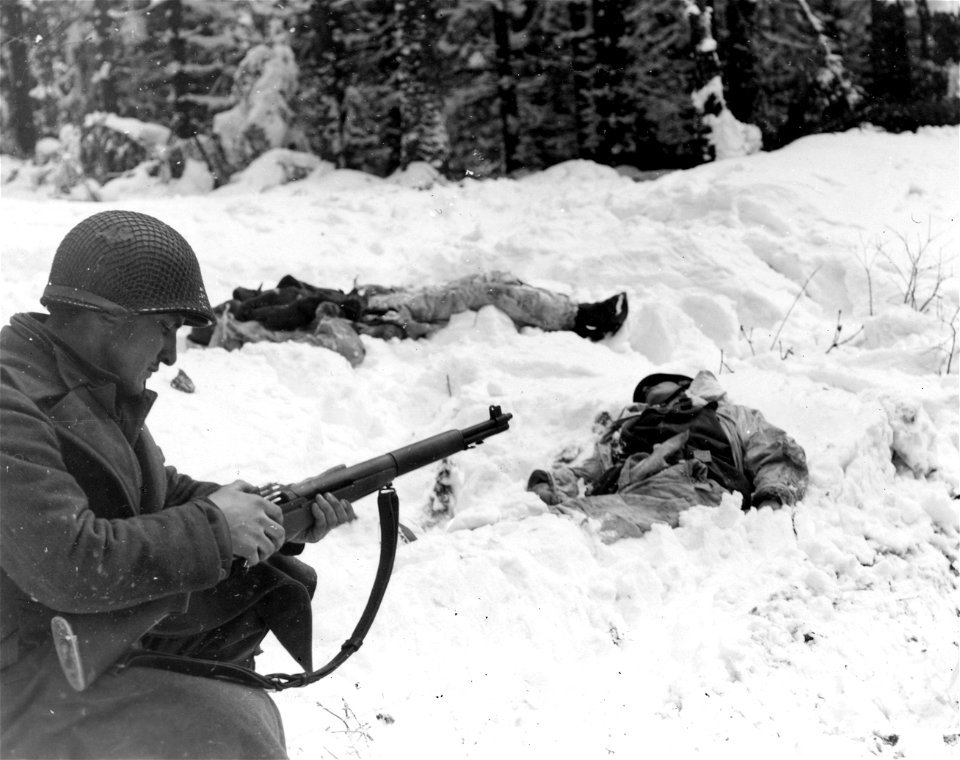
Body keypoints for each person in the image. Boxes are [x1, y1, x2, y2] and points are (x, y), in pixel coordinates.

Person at [0, 210, 357, 759]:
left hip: (65, 640)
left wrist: (270, 511)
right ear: (103, 318)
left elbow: (155, 492)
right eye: (165, 328)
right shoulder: (10, 402)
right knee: (231, 724)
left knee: (256, 591)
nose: (170, 356)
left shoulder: (78, 380)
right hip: (18, 678)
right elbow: (67, 562)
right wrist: (218, 526)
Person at [527, 370, 809, 542]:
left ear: (683, 385)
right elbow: (591, 471)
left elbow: (775, 450)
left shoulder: (731, 415)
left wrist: (772, 497)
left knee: (572, 528)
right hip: (635, 488)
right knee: (561, 524)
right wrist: (551, 484)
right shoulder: (629, 426)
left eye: (653, 387)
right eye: (643, 394)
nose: (646, 394)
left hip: (696, 480)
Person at [187, 272, 630, 366]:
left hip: (375, 300)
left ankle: (569, 311)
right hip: (380, 312)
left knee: (491, 279)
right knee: (482, 287)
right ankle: (579, 318)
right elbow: (339, 342)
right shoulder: (248, 327)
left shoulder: (249, 313)